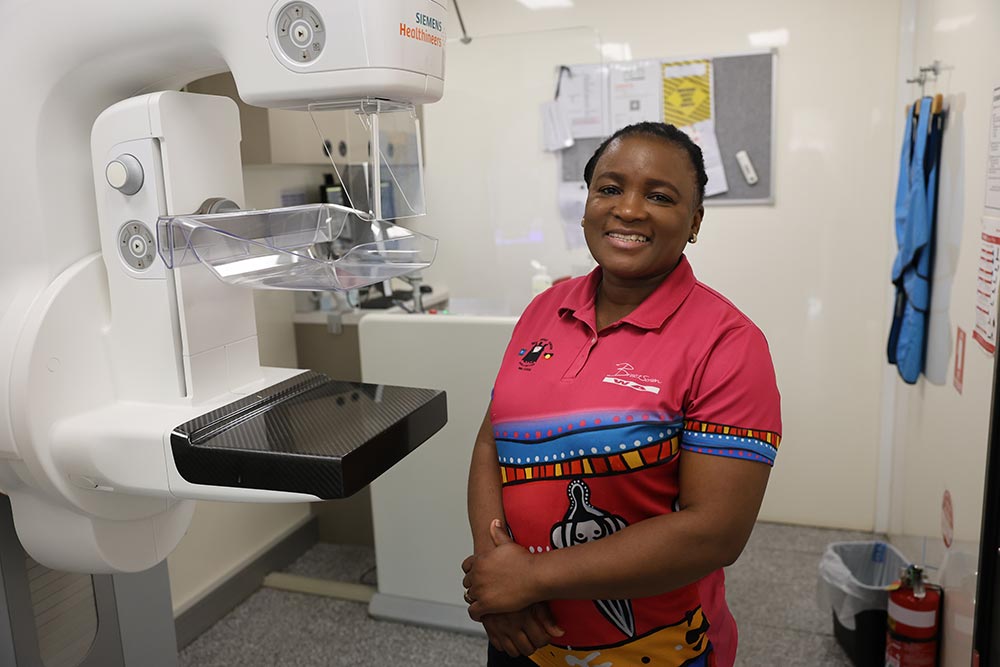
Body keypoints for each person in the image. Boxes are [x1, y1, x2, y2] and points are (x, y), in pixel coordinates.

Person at [463, 121, 781, 667]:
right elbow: (492, 444)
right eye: (610, 188)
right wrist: (500, 580)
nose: (629, 210)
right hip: (524, 635)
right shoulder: (545, 309)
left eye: (659, 196)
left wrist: (530, 576)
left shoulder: (728, 343)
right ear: (586, 203)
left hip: (655, 650)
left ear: (695, 221)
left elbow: (714, 533)